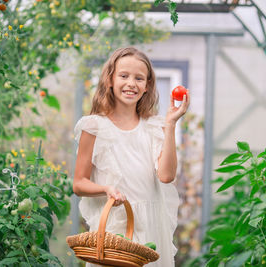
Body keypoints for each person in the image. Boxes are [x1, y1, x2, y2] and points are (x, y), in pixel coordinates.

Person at [73, 47, 189, 267]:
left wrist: (171, 124)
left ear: (147, 86)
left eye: (139, 78)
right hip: (115, 228)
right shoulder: (94, 126)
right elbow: (79, 184)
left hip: (152, 226)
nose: (131, 83)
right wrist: (106, 189)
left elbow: (166, 176)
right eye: (124, 76)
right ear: (110, 80)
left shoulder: (154, 127)